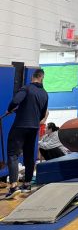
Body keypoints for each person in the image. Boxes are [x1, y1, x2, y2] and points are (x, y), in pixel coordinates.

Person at [4, 68, 48, 199]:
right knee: (29, 156)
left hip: (20, 126)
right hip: (34, 127)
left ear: (32, 77)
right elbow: (41, 114)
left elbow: (16, 101)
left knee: (12, 154)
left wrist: (10, 109)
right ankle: (27, 184)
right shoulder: (45, 94)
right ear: (42, 78)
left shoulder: (26, 88)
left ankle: (13, 186)